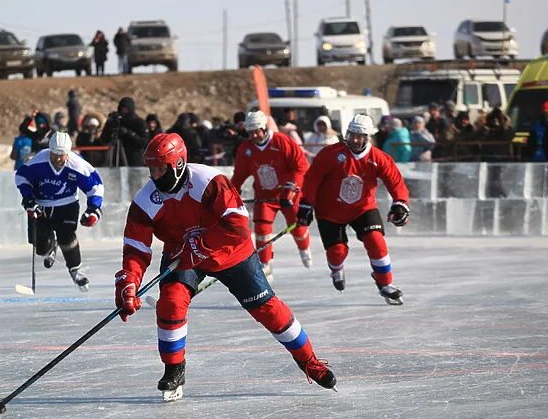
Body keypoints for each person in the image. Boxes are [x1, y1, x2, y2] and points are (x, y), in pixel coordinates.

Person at [114, 132, 336, 402]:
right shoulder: (146, 200)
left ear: (179, 165)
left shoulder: (209, 181)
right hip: (182, 255)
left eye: (161, 169)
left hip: (231, 254)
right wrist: (129, 282)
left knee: (268, 309)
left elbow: (238, 226)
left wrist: (202, 244)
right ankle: (174, 370)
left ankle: (309, 361)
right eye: (152, 169)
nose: (155, 176)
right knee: (170, 304)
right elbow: (136, 248)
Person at [297, 114, 410, 305]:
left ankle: (385, 284)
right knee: (337, 252)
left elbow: (396, 182)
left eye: (360, 136)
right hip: (330, 210)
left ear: (369, 137)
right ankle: (336, 268)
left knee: (376, 242)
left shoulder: (379, 158)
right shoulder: (330, 154)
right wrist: (306, 203)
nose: (355, 140)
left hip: (362, 208)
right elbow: (312, 179)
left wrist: (400, 203)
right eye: (352, 135)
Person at [15, 131, 104, 290]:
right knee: (40, 248)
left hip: (67, 205)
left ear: (68, 153)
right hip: (42, 206)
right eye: (54, 153)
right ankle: (50, 247)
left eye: (62, 155)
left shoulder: (77, 165)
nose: (57, 158)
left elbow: (95, 187)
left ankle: (76, 271)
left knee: (67, 236)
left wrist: (93, 209)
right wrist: (28, 199)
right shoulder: (39, 161)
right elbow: (21, 177)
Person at [230, 110, 312, 275]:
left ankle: (304, 249)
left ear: (265, 128)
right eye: (250, 132)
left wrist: (292, 186)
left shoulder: (281, 141)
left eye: (257, 131)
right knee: (261, 227)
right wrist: (232, 193)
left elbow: (301, 166)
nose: (254, 135)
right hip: (264, 196)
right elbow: (239, 174)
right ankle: (266, 262)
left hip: (287, 194)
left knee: (296, 225)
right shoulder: (246, 149)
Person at [100, 96, 148, 166]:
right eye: (122, 109)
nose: (124, 111)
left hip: (134, 161)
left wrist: (128, 133)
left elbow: (143, 142)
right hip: (118, 160)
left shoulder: (139, 123)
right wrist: (109, 124)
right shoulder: (117, 121)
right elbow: (104, 139)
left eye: (126, 109)